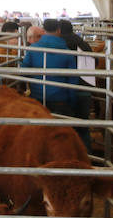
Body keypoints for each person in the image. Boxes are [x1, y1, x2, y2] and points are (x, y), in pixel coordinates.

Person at [21, 17, 86, 148]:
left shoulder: (33, 49)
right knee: (61, 137)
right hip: (60, 100)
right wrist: (71, 102)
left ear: (44, 30)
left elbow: (24, 71)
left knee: (38, 134)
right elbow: (72, 81)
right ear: (59, 30)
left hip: (38, 99)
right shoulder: (66, 52)